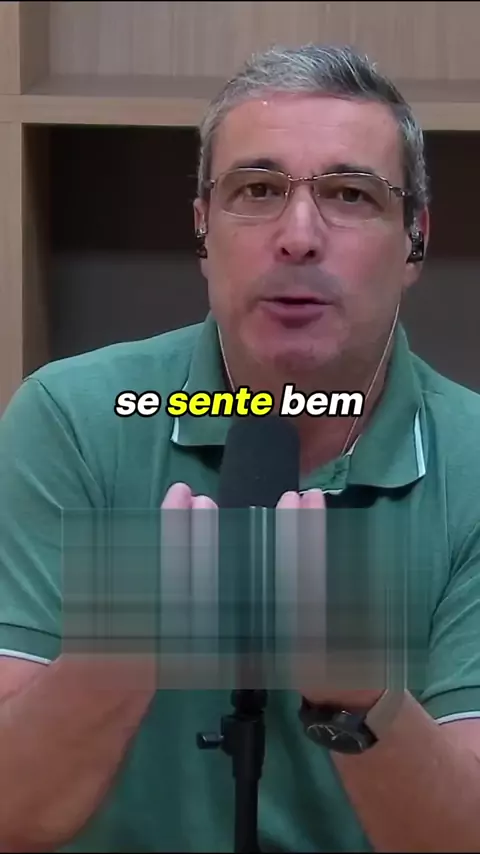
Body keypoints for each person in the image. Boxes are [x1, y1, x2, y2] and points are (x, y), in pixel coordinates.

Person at [1, 42, 480, 853]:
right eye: (257, 189)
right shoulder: (72, 420)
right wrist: (124, 648)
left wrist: (364, 697)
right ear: (203, 228)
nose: (299, 236)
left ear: (414, 241)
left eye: (351, 194)